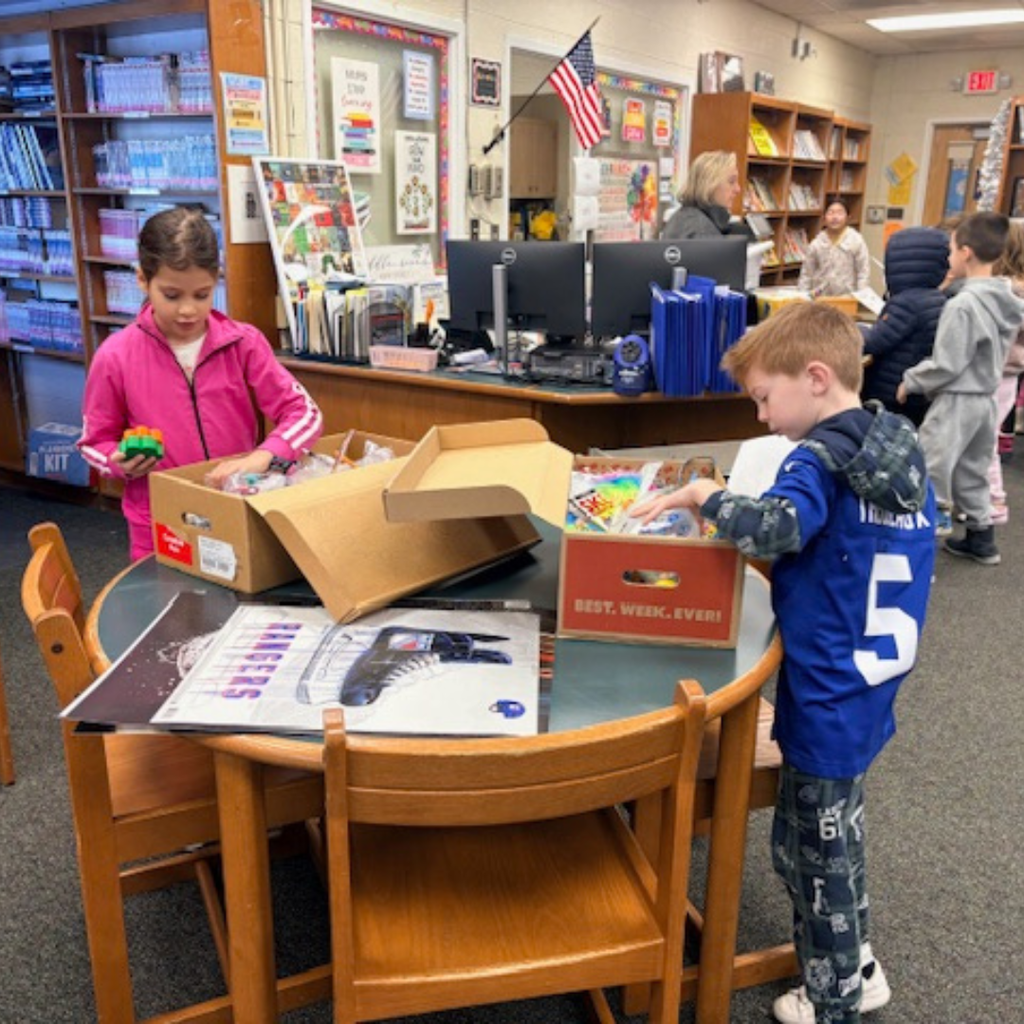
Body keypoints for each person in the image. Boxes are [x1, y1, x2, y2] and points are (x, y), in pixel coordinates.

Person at [631, 301, 935, 1024]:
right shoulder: (896, 445)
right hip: (873, 677)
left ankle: (836, 1000)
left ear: (817, 377)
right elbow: (842, 548)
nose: (763, 418)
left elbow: (780, 524)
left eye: (765, 398)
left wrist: (708, 495)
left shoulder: (818, 459)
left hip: (828, 691)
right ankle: (857, 963)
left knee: (812, 854)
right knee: (841, 832)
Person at [79, 206, 324, 561]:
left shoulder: (243, 343)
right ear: (143, 281)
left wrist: (264, 456)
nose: (188, 311)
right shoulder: (116, 356)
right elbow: (93, 441)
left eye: (202, 294)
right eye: (172, 295)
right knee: (166, 608)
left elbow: (304, 413)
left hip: (237, 508)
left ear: (216, 281)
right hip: (160, 522)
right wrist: (116, 461)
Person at [897, 211, 1024, 564]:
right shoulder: (1008, 301)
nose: (948, 258)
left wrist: (912, 380)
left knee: (930, 463)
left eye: (951, 250)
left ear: (965, 252)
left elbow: (947, 364)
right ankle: (982, 538)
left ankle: (924, 544)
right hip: (986, 400)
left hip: (957, 399)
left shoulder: (962, 304)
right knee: (974, 468)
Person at [859, 226, 949, 426]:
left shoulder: (906, 303)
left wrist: (854, 330)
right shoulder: (936, 297)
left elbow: (873, 342)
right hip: (916, 392)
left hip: (891, 391)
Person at [986, 219, 1024, 524]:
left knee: (982, 442)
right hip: (1010, 373)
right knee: (986, 437)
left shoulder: (1008, 291)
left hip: (995, 372)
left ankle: (994, 503)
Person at [661, 149, 752, 240]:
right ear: (710, 185)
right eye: (731, 181)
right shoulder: (702, 231)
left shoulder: (684, 218)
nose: (738, 189)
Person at [798, 198, 871, 297]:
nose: (835, 217)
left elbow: (863, 272)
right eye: (831, 213)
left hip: (847, 297)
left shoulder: (856, 241)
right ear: (824, 218)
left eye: (840, 213)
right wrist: (802, 297)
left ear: (848, 217)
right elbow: (807, 273)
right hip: (820, 298)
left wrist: (861, 297)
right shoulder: (817, 243)